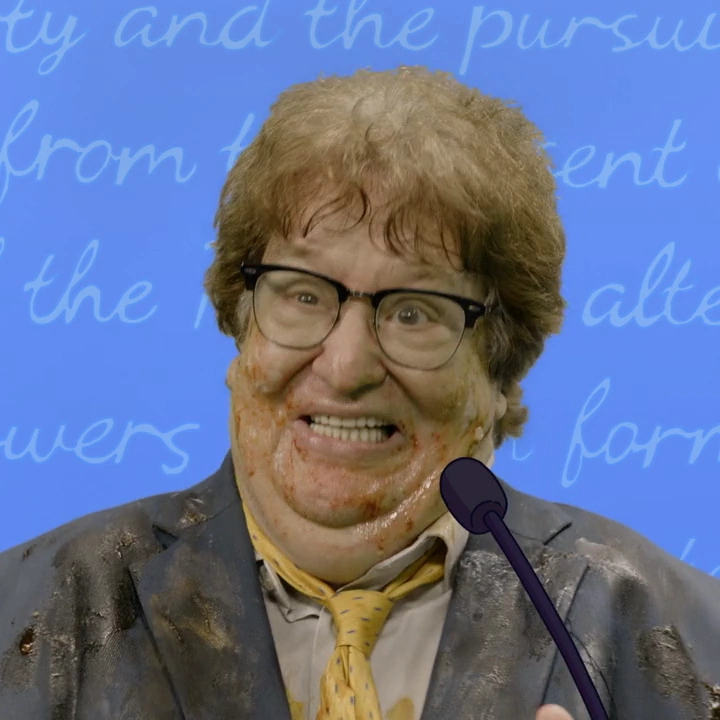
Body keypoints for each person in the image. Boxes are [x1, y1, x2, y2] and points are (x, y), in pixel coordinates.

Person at [0, 66, 718, 720]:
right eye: (304, 295)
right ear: (240, 325)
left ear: (498, 370)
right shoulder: (28, 616)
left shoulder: (685, 637)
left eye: (413, 312)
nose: (345, 367)